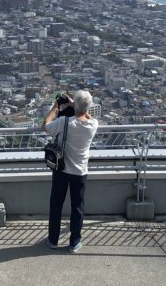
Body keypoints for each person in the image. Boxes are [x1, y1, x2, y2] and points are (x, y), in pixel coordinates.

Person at [41, 89, 98, 253]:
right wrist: (76, 104)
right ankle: (74, 242)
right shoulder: (93, 125)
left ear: (75, 106)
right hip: (80, 173)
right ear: (89, 107)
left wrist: (56, 106)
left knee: (56, 205)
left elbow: (44, 126)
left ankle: (53, 240)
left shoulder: (64, 122)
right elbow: (85, 115)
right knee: (77, 207)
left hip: (61, 170)